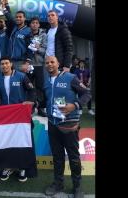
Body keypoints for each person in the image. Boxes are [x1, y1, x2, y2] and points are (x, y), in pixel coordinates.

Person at [43, 56, 90, 198]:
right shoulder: (46, 81)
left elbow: (87, 93)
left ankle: (77, 186)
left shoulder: (70, 77)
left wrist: (74, 105)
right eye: (47, 62)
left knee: (74, 157)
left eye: (52, 62)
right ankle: (58, 183)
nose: (49, 64)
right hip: (53, 124)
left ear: (58, 63)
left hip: (69, 125)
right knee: (57, 157)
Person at [0, 56, 37, 182]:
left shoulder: (21, 76)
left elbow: (32, 90)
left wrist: (29, 103)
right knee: (7, 141)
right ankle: (9, 166)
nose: (4, 66)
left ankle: (23, 167)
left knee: (22, 141)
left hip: (20, 116)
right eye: (2, 64)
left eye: (6, 63)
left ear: (11, 64)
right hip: (5, 116)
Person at [27, 16, 48, 116]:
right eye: (32, 23)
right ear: (30, 25)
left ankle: (41, 108)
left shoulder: (43, 35)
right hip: (29, 64)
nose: (34, 24)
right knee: (29, 86)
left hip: (39, 64)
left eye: (36, 23)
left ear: (39, 25)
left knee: (40, 86)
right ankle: (31, 106)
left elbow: (45, 51)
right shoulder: (27, 35)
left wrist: (37, 48)